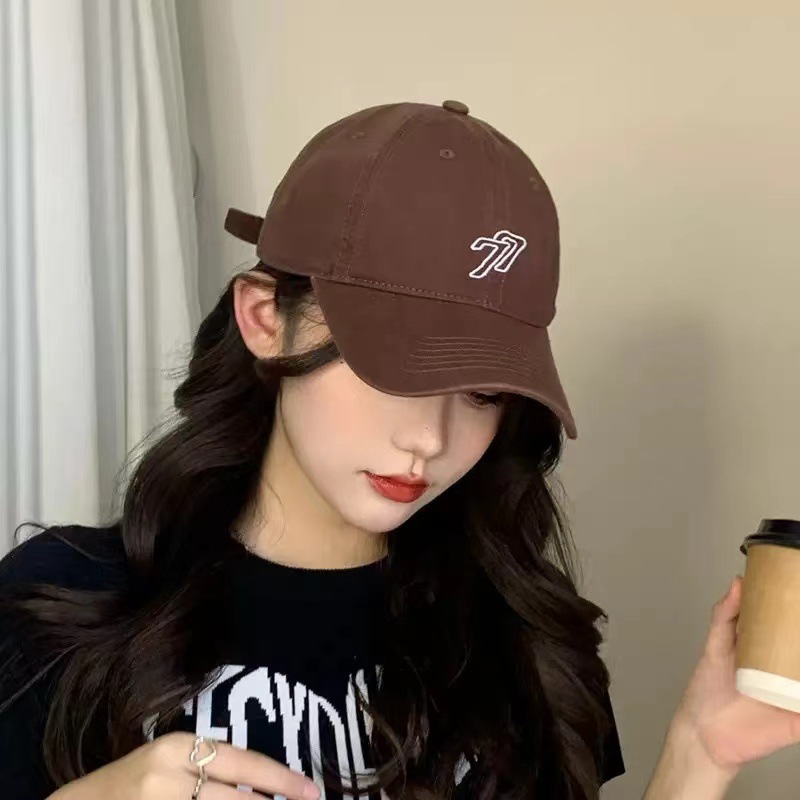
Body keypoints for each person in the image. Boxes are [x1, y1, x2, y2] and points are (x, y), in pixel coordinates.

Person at [1, 100, 799, 800]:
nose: (430, 439)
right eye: (392, 368)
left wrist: (699, 755)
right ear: (266, 320)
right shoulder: (64, 605)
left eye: (482, 392)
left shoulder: (524, 640)